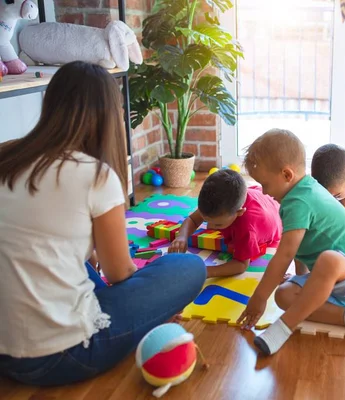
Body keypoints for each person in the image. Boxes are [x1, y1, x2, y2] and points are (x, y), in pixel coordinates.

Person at [0, 61, 206, 386]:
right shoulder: (95, 175)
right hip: (63, 354)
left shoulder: (7, 156)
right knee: (189, 267)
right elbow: (119, 273)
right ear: (109, 115)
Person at [237, 129, 345, 356]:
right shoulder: (298, 193)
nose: (264, 192)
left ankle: (283, 327)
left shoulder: (300, 200)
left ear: (287, 175)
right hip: (329, 281)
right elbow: (299, 249)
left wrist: (258, 298)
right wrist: (299, 279)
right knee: (284, 294)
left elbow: (284, 254)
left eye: (265, 184)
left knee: (330, 260)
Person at [169, 169, 282, 278]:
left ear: (239, 212)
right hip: (258, 196)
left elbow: (241, 264)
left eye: (217, 225)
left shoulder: (246, 227)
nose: (209, 227)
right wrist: (182, 237)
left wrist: (207, 271)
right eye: (206, 220)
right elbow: (193, 219)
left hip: (277, 218)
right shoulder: (214, 205)